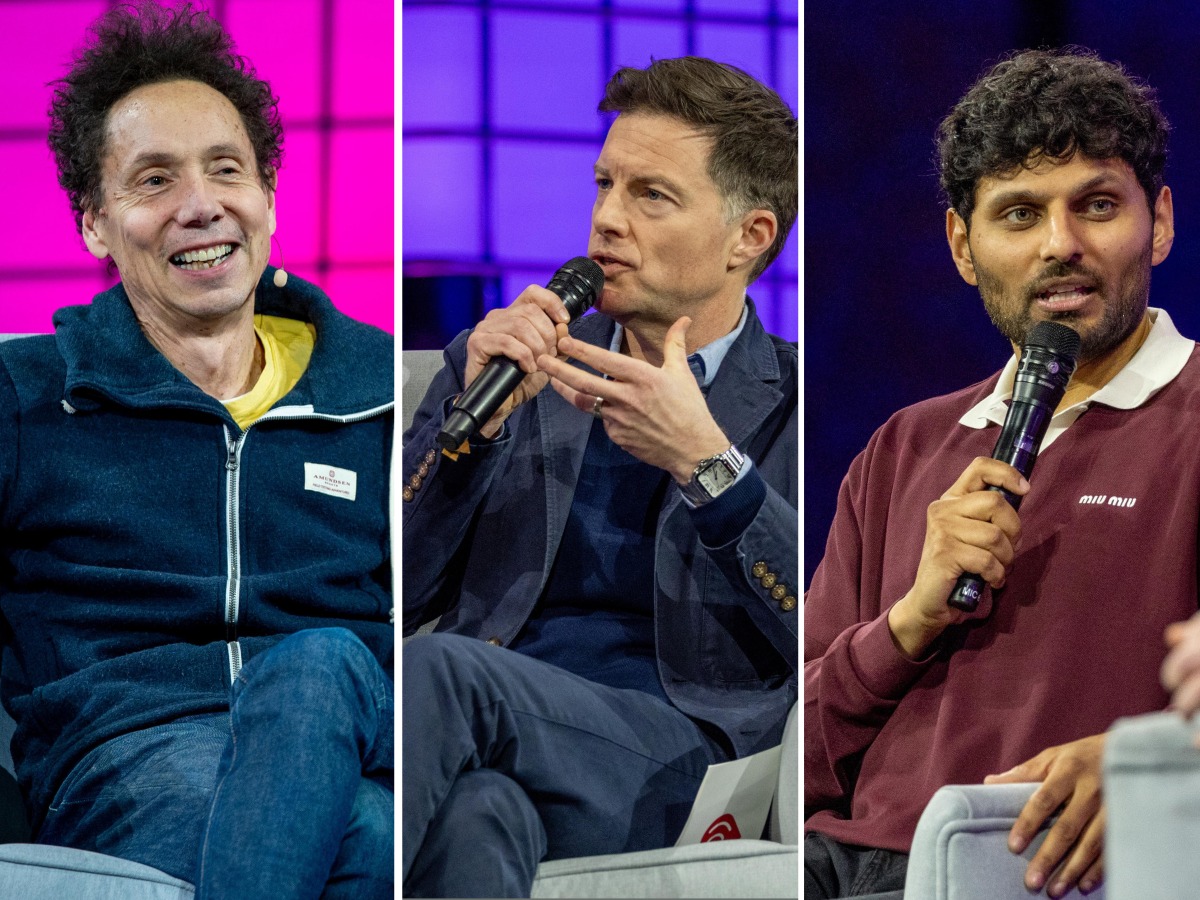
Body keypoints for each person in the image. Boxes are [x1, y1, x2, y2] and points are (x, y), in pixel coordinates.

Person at [0, 3, 393, 898]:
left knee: (322, 663)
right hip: (129, 755)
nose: (201, 205)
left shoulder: (370, 390)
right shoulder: (29, 395)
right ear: (95, 225)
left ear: (268, 197)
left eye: (227, 170)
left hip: (345, 730)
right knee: (364, 841)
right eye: (154, 181)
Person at [804, 47, 1200, 899]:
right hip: (831, 863)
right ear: (963, 244)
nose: (1061, 245)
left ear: (1159, 223)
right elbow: (787, 757)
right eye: (1019, 215)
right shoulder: (903, 447)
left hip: (1028, 867)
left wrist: (1151, 764)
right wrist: (906, 620)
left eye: (1096, 205)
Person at [401, 56, 798, 898]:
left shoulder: (802, 396)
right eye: (604, 184)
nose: (606, 220)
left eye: (651, 195)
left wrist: (707, 463)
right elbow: (386, 590)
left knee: (436, 671)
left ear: (749, 236)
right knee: (475, 819)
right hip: (492, 729)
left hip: (672, 746)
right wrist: (470, 436)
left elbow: (828, 621)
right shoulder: (509, 366)